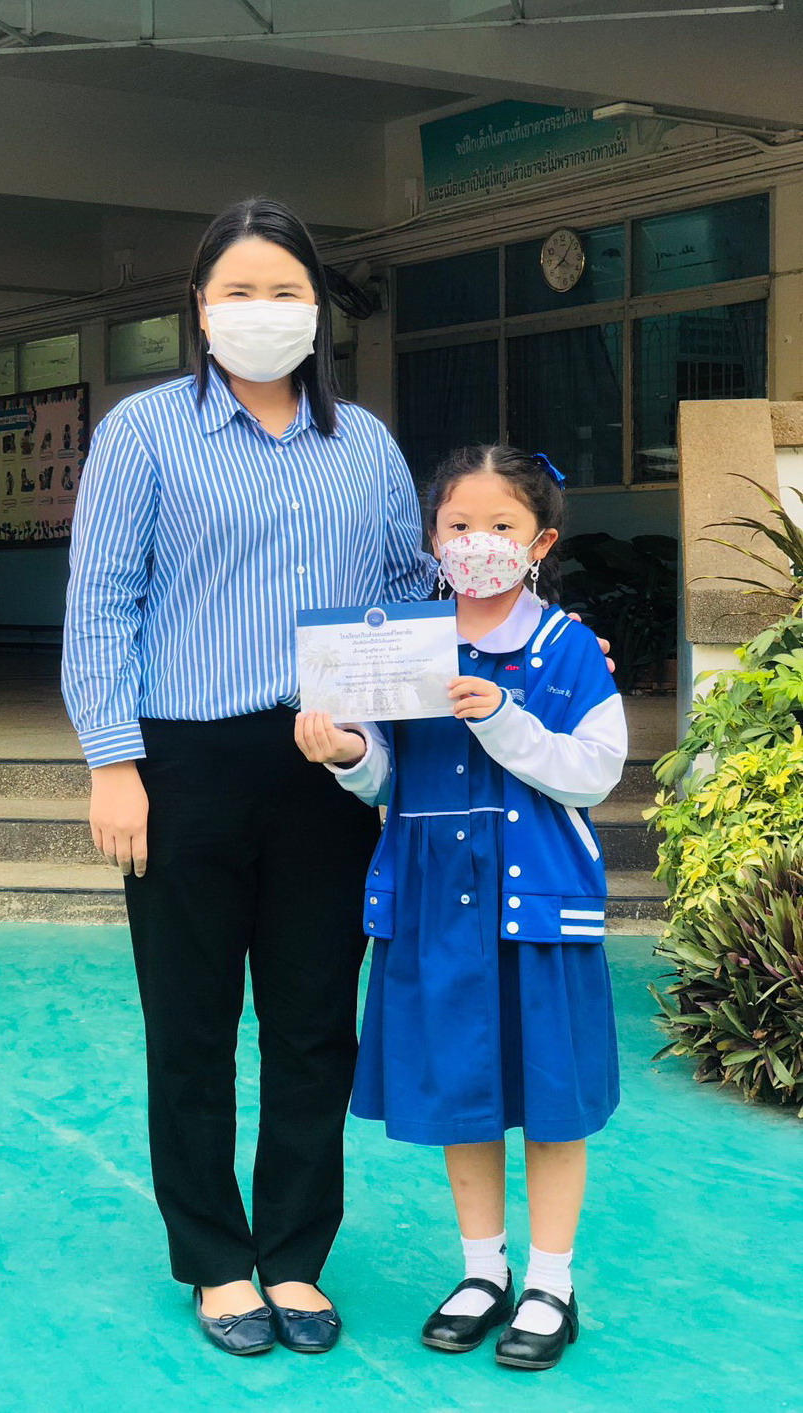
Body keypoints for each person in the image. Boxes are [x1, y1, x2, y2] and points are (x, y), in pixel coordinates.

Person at [61, 197, 435, 1357]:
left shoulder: (361, 445)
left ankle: (294, 1254)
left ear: (317, 309)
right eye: (238, 291)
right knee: (190, 1024)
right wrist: (113, 762)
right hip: (184, 763)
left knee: (314, 1023)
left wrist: (512, 632)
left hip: (326, 766)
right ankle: (217, 1261)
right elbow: (102, 600)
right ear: (199, 307)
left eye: (284, 291)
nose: (261, 311)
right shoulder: (143, 433)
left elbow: (408, 587)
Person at [295, 444, 627, 1372]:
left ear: (541, 541)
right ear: (433, 540)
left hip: (540, 909)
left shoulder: (567, 647)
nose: (478, 542)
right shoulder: (404, 641)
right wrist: (346, 753)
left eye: (502, 525)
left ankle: (551, 1282)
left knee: (553, 1103)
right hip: (434, 907)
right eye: (458, 525)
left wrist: (502, 718)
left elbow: (595, 771)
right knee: (464, 1096)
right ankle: (483, 1271)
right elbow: (386, 777)